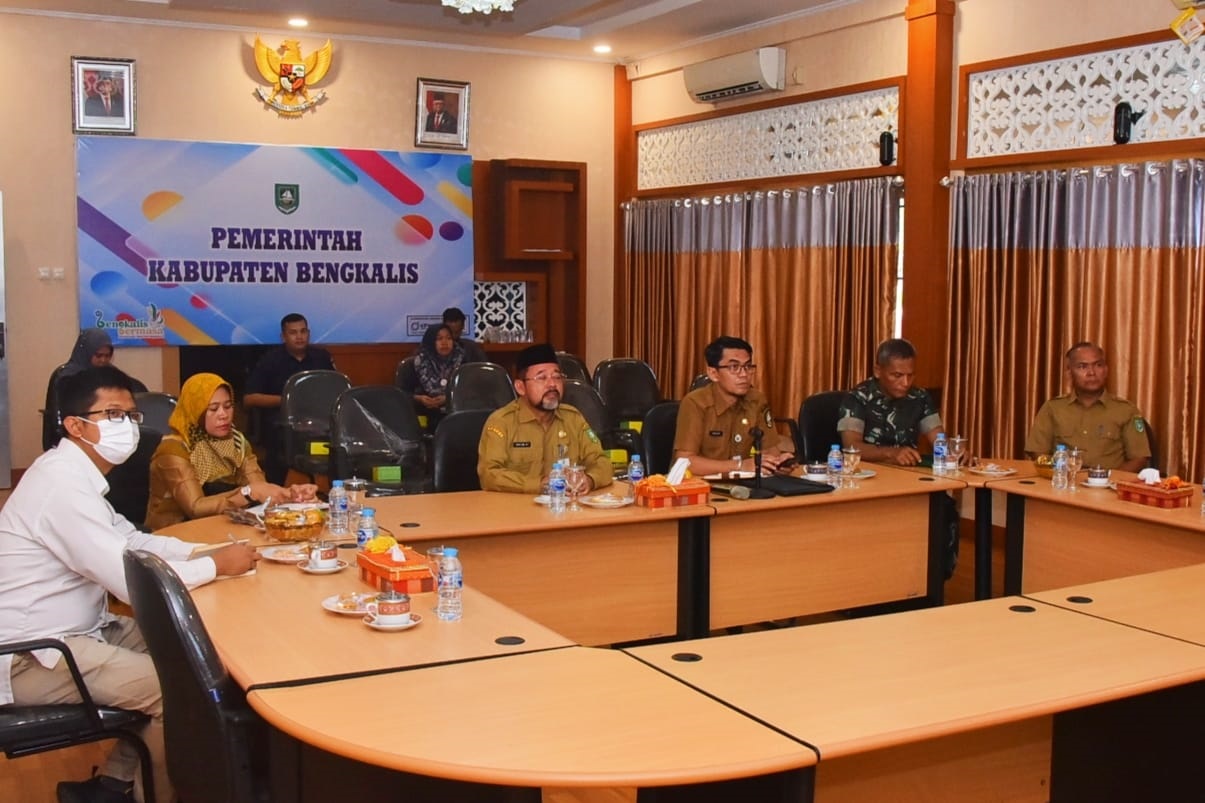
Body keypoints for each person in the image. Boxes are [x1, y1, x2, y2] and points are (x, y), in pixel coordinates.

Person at [0, 366, 259, 803]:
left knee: (199, 652)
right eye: (113, 415)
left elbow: (134, 541)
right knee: (179, 688)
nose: (129, 427)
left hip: (81, 631)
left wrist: (206, 553)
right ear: (75, 426)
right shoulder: (59, 486)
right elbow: (131, 581)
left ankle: (115, 786)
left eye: (131, 416)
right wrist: (216, 566)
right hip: (33, 654)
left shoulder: (74, 476)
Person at [145, 372, 317, 530]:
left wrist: (291, 495)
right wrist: (247, 493)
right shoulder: (173, 449)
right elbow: (195, 508)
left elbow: (259, 488)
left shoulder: (236, 442)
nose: (223, 415)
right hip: (175, 532)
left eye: (228, 406)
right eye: (213, 409)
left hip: (223, 526)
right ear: (195, 411)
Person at [477, 343, 612, 493]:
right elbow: (489, 474)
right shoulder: (502, 422)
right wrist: (538, 484)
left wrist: (590, 480)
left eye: (557, 377)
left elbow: (602, 462)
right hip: (515, 505)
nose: (552, 384)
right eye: (541, 378)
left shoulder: (573, 418)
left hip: (564, 505)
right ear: (520, 387)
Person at [673, 335, 794, 476]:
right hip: (702, 483)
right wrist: (740, 466)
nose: (744, 374)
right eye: (734, 367)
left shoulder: (757, 400)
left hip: (744, 482)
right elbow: (685, 462)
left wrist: (777, 463)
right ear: (713, 373)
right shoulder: (695, 403)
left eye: (748, 366)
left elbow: (770, 451)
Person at [1024, 342, 1150, 472]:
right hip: (1063, 480)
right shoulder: (1053, 408)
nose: (1091, 373)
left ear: (1106, 370)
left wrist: (1107, 479)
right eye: (1082, 367)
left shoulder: (1126, 410)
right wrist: (1060, 473)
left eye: (1098, 365)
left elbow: (1139, 459)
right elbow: (1038, 452)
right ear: (1069, 373)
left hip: (1109, 482)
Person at [243, 313, 336, 484]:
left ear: (308, 333)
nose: (299, 336)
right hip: (282, 421)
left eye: (303, 331)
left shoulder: (321, 357)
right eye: (293, 332)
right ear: (283, 336)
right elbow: (250, 398)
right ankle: (275, 489)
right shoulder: (270, 360)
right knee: (279, 438)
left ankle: (335, 490)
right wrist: (288, 400)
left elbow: (336, 390)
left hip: (318, 420)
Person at [838, 338, 944, 465]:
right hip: (869, 471)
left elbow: (938, 440)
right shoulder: (857, 397)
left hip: (908, 471)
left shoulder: (920, 397)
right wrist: (892, 453)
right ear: (878, 371)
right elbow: (852, 447)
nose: (906, 383)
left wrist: (955, 450)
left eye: (910, 375)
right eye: (897, 376)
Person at [44, 330, 147, 452]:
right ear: (86, 353)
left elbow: (135, 388)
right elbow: (59, 414)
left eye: (107, 356)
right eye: (98, 355)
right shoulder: (66, 377)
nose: (103, 360)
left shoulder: (110, 374)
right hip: (70, 437)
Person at [408, 323, 464, 430]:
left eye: (449, 338)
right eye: (439, 339)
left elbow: (470, 390)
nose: (445, 342)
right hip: (424, 412)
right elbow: (403, 393)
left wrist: (448, 398)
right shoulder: (418, 362)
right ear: (430, 341)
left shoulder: (462, 360)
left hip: (455, 412)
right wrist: (419, 399)